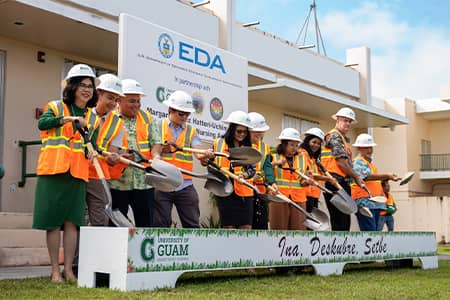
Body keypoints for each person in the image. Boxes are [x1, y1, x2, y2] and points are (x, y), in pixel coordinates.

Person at [33, 64, 99, 282]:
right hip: (53, 171)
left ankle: (69, 270)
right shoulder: (55, 106)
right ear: (71, 86)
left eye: (90, 86)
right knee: (52, 222)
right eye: (82, 85)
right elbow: (42, 123)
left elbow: (92, 145)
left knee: (73, 223)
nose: (87, 89)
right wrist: (69, 120)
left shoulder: (93, 117)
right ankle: (54, 271)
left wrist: (93, 153)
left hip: (78, 174)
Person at [154, 90, 213, 228]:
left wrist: (204, 154)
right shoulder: (157, 126)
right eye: (181, 113)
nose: (185, 117)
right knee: (161, 224)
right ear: (170, 110)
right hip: (162, 182)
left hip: (185, 184)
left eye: (187, 114)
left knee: (192, 225)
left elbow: (197, 150)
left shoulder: (191, 131)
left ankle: (195, 249)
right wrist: (163, 149)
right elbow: (150, 150)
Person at [109, 79, 162, 227]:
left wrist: (156, 156)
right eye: (132, 101)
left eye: (138, 101)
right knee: (117, 225)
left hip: (144, 181)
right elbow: (104, 145)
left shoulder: (147, 117)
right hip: (118, 181)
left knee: (146, 225)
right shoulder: (110, 118)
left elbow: (156, 142)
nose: (137, 105)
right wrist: (120, 156)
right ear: (119, 100)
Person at [86, 74, 125, 226]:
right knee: (74, 221)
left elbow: (112, 151)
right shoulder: (83, 112)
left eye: (116, 100)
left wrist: (114, 158)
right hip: (77, 172)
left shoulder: (118, 123)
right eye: (110, 97)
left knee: (99, 222)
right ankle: (73, 250)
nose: (113, 103)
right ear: (98, 93)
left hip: (98, 175)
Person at [321, 107, 365, 231]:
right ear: (337, 120)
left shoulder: (342, 139)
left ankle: (341, 248)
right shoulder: (335, 137)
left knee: (343, 220)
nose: (348, 124)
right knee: (340, 221)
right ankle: (338, 249)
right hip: (335, 182)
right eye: (345, 120)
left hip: (340, 182)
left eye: (350, 121)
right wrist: (356, 177)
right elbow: (341, 163)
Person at [213, 110, 255, 229]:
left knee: (246, 227)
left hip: (244, 192)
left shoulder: (248, 148)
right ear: (232, 130)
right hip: (225, 190)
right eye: (239, 131)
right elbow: (211, 165)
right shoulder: (218, 143)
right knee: (228, 227)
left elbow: (252, 169)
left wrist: (245, 175)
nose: (242, 134)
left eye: (245, 132)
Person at [264, 128, 311, 230]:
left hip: (298, 199)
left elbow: (303, 180)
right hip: (278, 198)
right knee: (279, 230)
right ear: (284, 144)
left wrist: (307, 181)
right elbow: (264, 172)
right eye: (291, 145)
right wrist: (275, 163)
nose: (295, 148)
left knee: (299, 230)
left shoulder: (302, 158)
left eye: (296, 145)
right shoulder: (273, 156)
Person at [351, 133, 399, 231]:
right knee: (369, 233)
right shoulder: (358, 162)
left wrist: (387, 178)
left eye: (371, 147)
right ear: (359, 148)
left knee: (375, 234)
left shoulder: (369, 163)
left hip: (374, 202)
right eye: (366, 147)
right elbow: (366, 177)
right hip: (364, 201)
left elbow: (374, 180)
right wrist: (387, 175)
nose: (369, 150)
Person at [298, 128, 337, 214]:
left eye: (319, 144)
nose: (316, 145)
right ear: (307, 141)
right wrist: (329, 179)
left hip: (313, 194)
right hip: (305, 194)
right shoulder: (302, 154)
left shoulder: (313, 158)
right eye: (314, 142)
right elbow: (309, 174)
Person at [248, 112, 271, 229]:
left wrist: (262, 176)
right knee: (248, 223)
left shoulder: (265, 147)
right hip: (245, 190)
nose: (259, 133)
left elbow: (267, 167)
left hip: (260, 190)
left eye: (261, 131)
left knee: (261, 224)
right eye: (256, 131)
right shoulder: (242, 144)